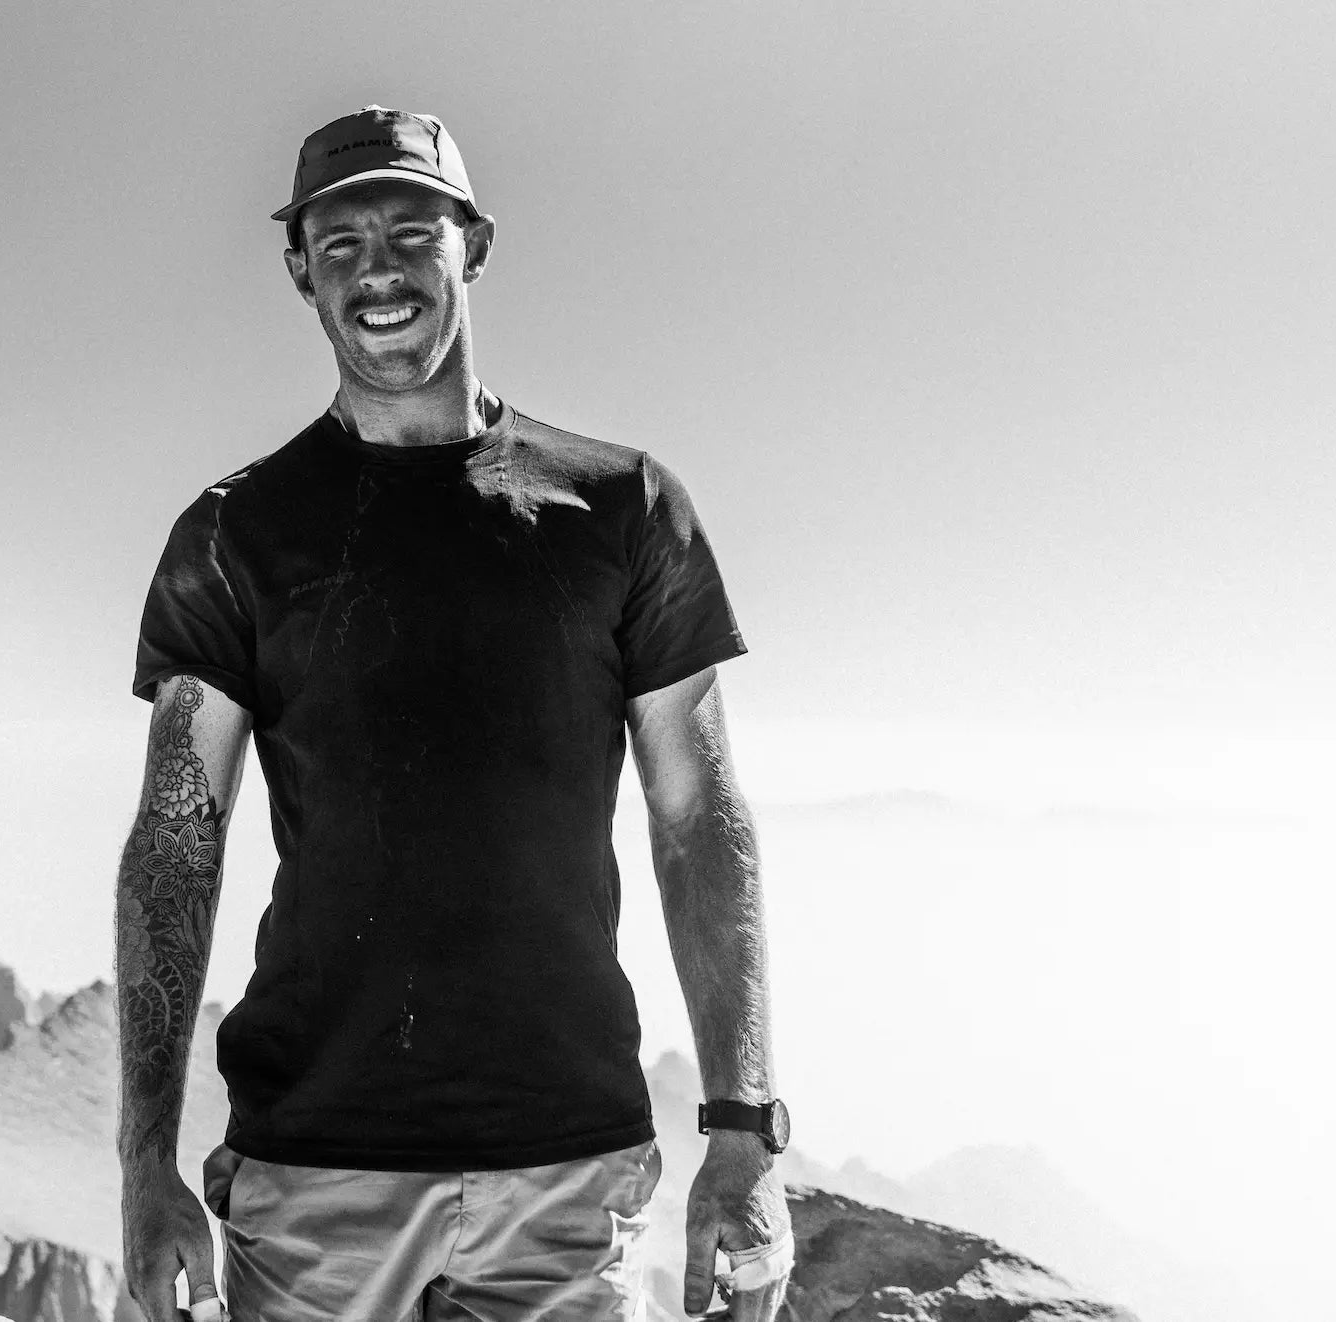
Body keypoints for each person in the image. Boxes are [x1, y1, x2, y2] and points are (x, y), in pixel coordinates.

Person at [115, 105, 791, 1322]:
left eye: (410, 232)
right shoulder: (231, 535)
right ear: (300, 273)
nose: (376, 270)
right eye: (338, 242)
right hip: (312, 1169)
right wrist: (141, 1163)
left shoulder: (626, 508)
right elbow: (175, 843)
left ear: (471, 247)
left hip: (568, 1168)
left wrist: (743, 1131)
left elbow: (702, 820)